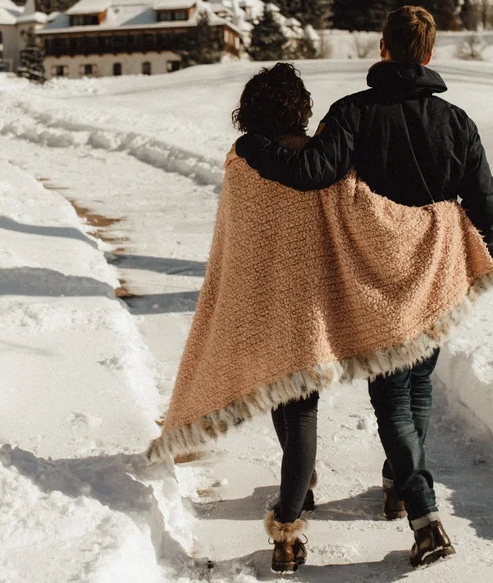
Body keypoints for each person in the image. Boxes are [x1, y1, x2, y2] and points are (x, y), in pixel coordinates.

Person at [147, 61, 493, 574]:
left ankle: (292, 513)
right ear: (300, 110)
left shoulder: (240, 165)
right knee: (328, 406)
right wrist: (438, 225)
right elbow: (370, 220)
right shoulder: (327, 170)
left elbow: (232, 248)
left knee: (287, 406)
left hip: (262, 307)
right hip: (312, 311)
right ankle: (312, 510)